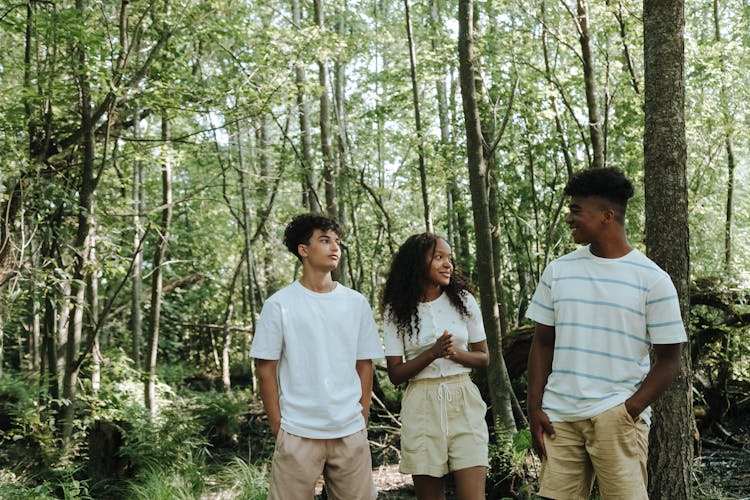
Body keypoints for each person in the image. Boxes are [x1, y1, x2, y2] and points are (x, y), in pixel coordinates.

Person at [525, 167, 687, 499]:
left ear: (606, 216)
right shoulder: (558, 271)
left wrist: (628, 410)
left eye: (576, 210)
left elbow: (669, 360)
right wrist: (535, 408)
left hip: (616, 416)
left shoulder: (652, 280)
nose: (569, 218)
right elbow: (542, 344)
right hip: (560, 419)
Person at [250, 213, 384, 500]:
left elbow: (364, 365)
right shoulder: (279, 304)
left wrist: (362, 415)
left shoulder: (356, 303)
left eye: (336, 241)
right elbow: (265, 369)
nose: (334, 247)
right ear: (303, 249)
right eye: (324, 241)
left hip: (349, 429)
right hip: (298, 431)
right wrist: (278, 426)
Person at [381, 232, 489, 500]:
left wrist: (454, 354)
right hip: (422, 405)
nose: (447, 264)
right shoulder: (396, 311)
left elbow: (483, 357)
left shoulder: (463, 300)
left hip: (463, 400)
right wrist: (432, 353)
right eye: (438, 257)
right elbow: (395, 374)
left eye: (449, 258)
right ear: (417, 263)